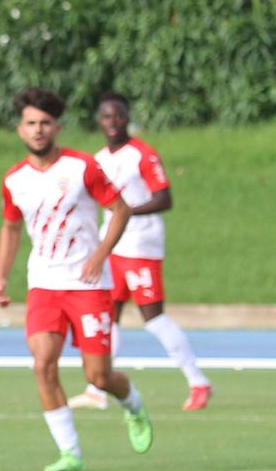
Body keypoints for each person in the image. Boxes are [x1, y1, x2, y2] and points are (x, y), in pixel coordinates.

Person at [0, 87, 153, 471]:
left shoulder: (82, 167)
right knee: (42, 365)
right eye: (31, 123)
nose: (38, 130)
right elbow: (11, 228)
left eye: (45, 123)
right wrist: (1, 278)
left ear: (57, 128)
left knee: (97, 375)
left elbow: (120, 209)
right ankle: (70, 453)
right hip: (44, 285)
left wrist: (99, 255)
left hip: (88, 285)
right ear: (20, 130)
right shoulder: (15, 180)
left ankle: (133, 405)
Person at [68, 92, 212, 413]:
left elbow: (165, 198)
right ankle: (96, 388)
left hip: (140, 246)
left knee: (153, 317)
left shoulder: (143, 155)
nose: (112, 122)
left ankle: (198, 381)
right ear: (99, 121)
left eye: (118, 116)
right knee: (110, 316)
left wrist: (128, 211)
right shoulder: (97, 160)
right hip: (111, 246)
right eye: (106, 117)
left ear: (127, 118)